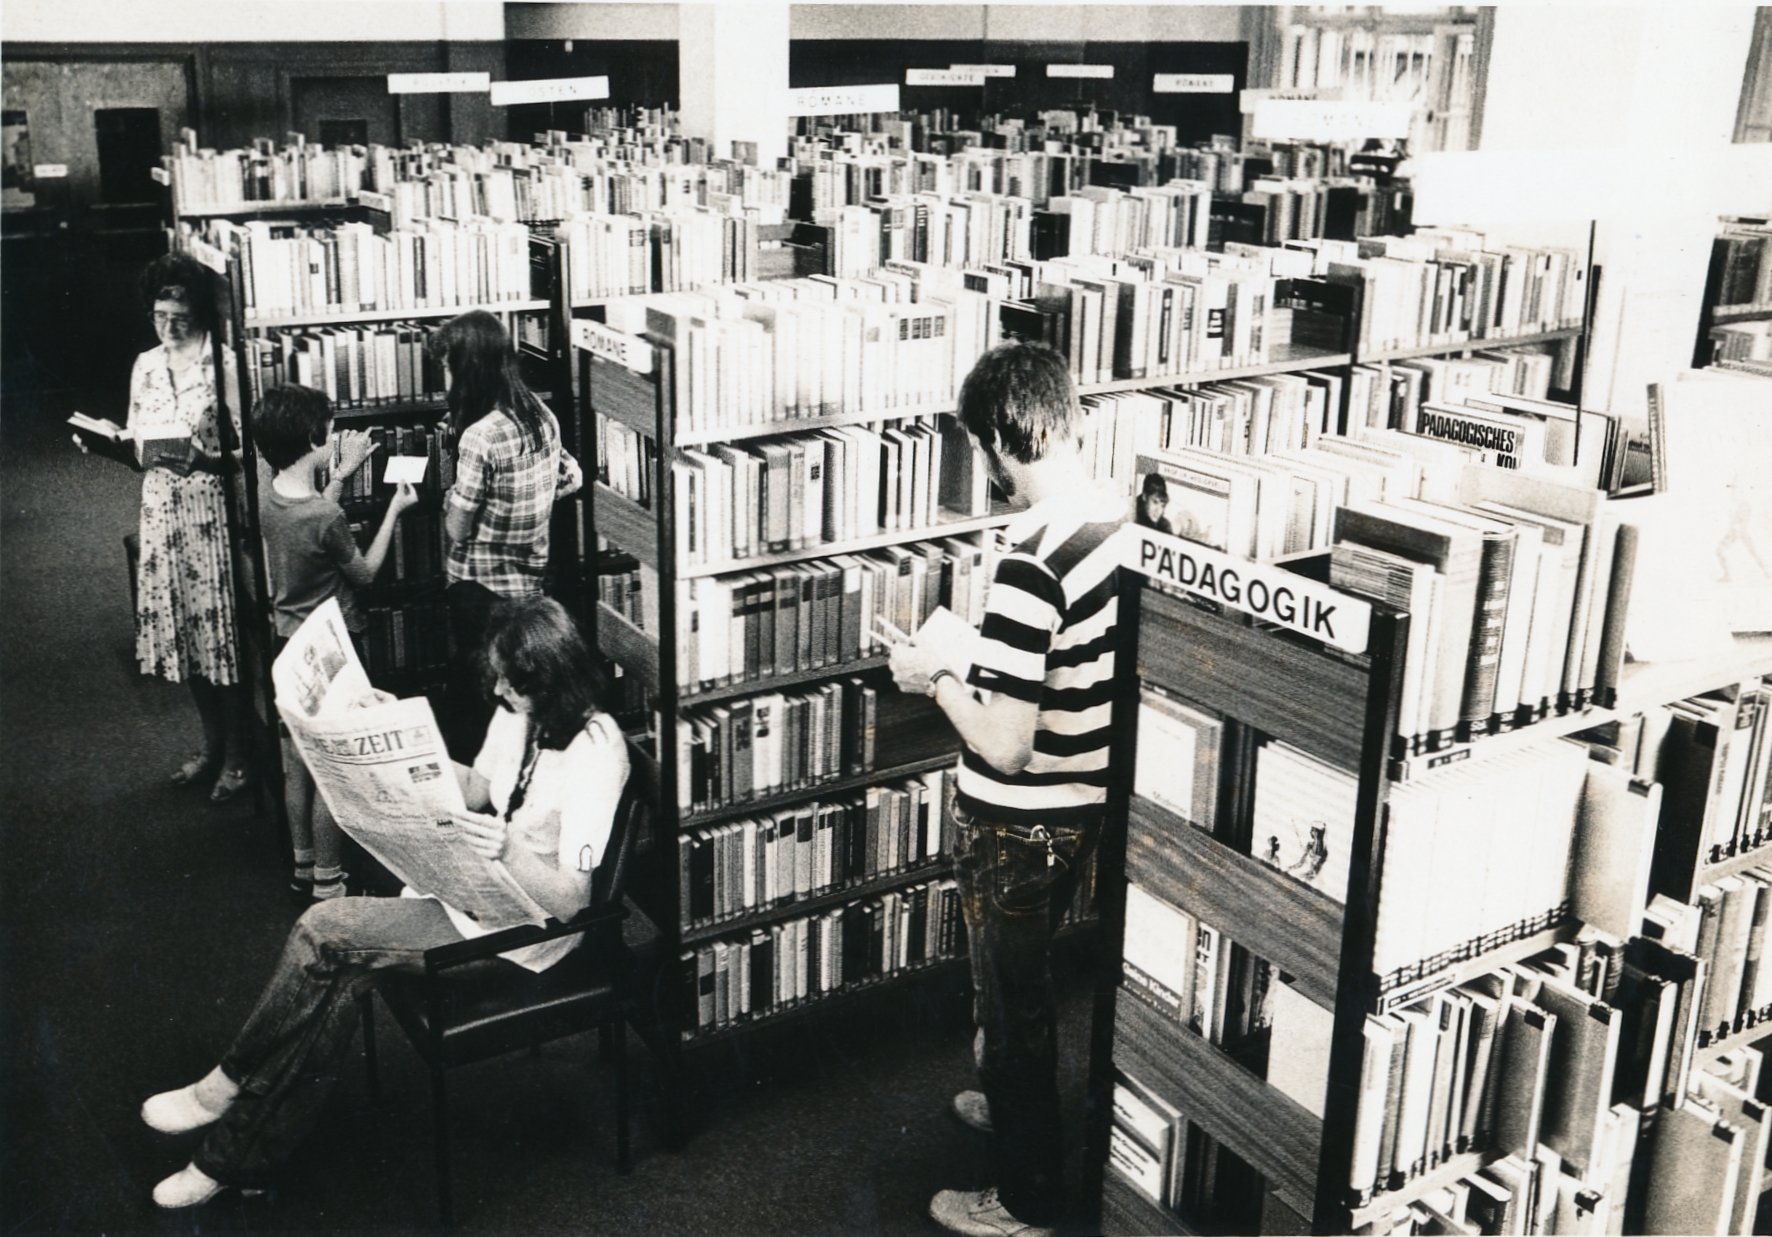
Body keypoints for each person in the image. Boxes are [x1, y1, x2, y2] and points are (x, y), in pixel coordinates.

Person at [139, 596, 629, 1208]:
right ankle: (237, 1161)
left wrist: (509, 852)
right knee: (340, 982)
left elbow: (574, 900)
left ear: (554, 678)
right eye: (498, 672)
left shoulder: (598, 752)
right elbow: (479, 788)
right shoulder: (517, 712)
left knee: (324, 930)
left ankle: (226, 1084)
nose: (500, 687)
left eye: (513, 679)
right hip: (467, 893)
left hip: (526, 932)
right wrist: (398, 737)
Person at [887, 341, 1127, 1237]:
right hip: (1087, 804)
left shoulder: (1030, 559)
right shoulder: (1114, 518)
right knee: (1025, 996)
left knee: (1011, 1006)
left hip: (1019, 820)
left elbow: (1004, 743)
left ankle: (1025, 1199)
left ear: (997, 437)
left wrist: (933, 677)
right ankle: (1015, 1104)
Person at [75, 253, 253, 801]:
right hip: (161, 512)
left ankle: (242, 758)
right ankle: (211, 746)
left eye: (179, 316)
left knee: (222, 642)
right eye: (159, 315)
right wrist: (112, 446)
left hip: (210, 513)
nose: (169, 327)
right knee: (190, 642)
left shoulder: (222, 364)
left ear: (199, 313)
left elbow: (245, 449)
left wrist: (200, 460)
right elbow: (138, 436)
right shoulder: (145, 364)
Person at [252, 383, 418, 900]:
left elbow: (308, 528)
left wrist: (341, 476)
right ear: (314, 437)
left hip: (287, 648)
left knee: (296, 763)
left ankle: (303, 866)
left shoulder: (268, 495)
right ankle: (330, 879)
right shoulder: (327, 518)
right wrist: (394, 509)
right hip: (333, 652)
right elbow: (364, 573)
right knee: (334, 772)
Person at [427, 310, 583, 759]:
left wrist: (450, 497)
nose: (444, 375)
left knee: (475, 703)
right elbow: (573, 478)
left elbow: (457, 528)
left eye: (447, 365)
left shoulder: (479, 436)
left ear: (466, 366)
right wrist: (527, 502)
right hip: (529, 585)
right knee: (514, 697)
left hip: (478, 589)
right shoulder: (540, 414)